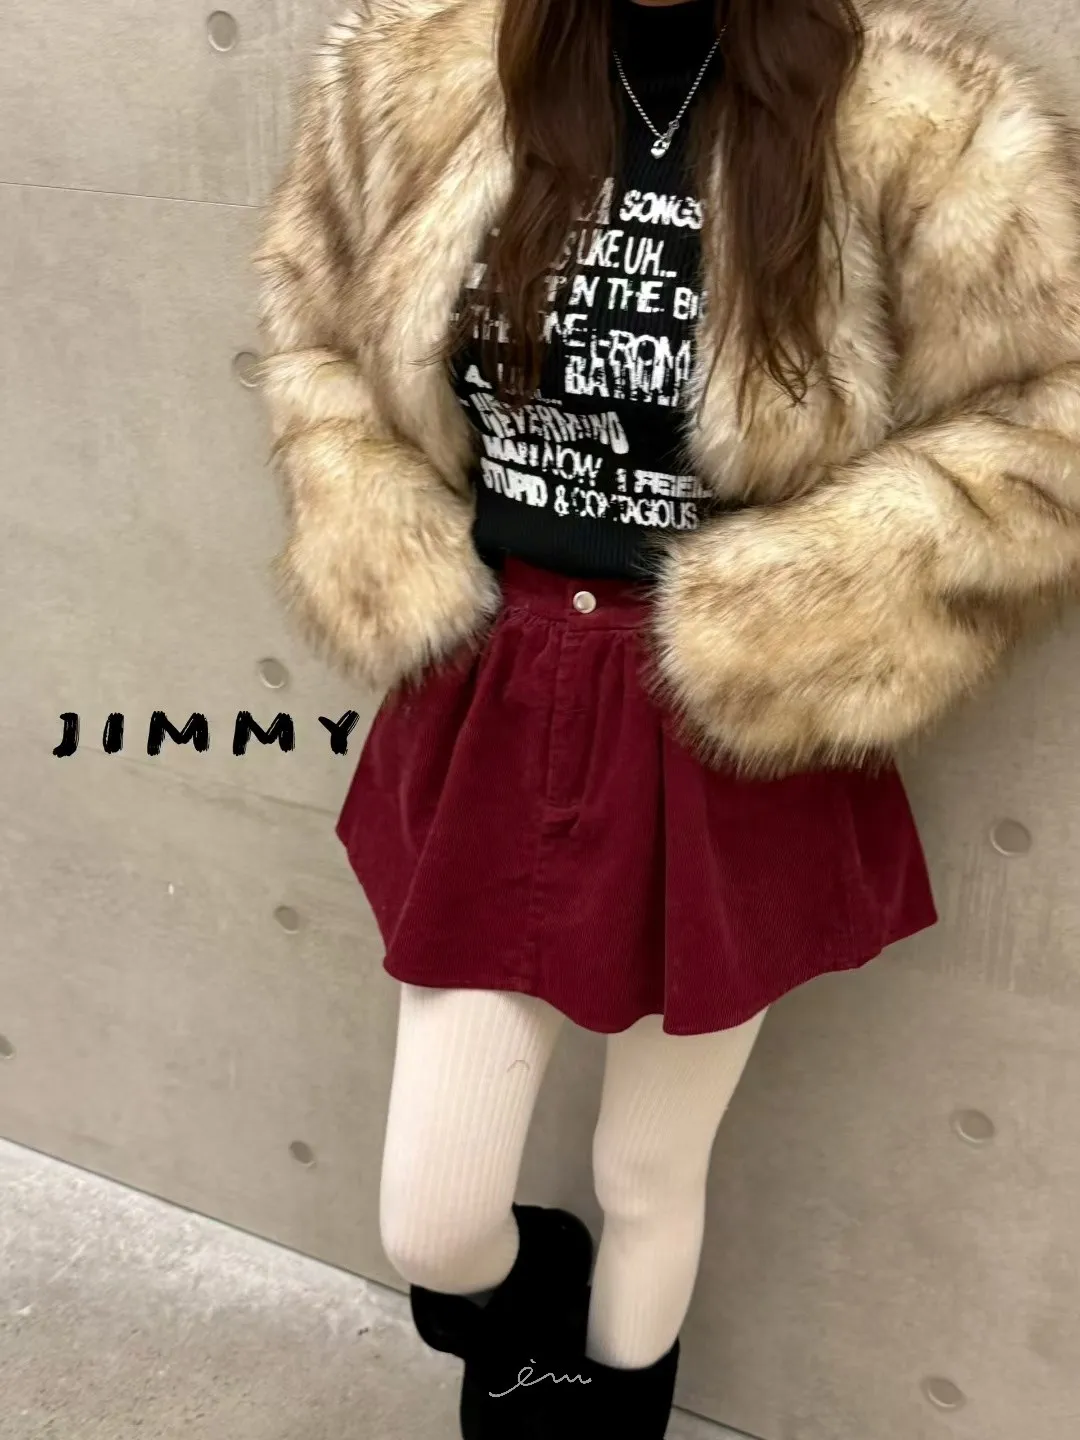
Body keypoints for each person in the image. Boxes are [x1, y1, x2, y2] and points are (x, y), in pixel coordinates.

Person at [254, 0, 1080, 1434]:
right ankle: (529, 1332)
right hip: (500, 686)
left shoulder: (918, 118)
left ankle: (614, 1412)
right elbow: (314, 337)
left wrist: (813, 605)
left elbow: (1049, 414)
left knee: (648, 1171)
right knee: (434, 1219)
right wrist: (380, 536)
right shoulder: (415, 74)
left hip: (728, 715)